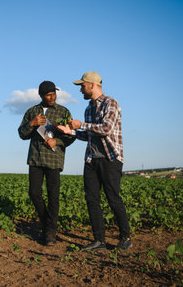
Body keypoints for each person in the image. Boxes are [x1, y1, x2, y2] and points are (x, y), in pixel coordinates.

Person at [57, 71, 132, 251]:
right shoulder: (88, 108)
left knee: (113, 198)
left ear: (92, 85)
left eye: (82, 86)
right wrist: (71, 132)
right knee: (92, 200)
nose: (81, 90)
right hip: (92, 159)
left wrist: (80, 125)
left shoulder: (110, 103)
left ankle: (125, 237)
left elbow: (105, 129)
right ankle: (99, 241)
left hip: (110, 158)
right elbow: (89, 135)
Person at [18, 80, 75, 246]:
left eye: (54, 94)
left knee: (53, 196)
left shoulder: (63, 111)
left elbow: (70, 136)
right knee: (34, 193)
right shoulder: (32, 112)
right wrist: (32, 124)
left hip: (53, 159)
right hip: (35, 159)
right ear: (41, 95)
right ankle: (47, 224)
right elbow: (22, 134)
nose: (52, 97)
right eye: (49, 94)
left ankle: (50, 233)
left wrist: (56, 141)